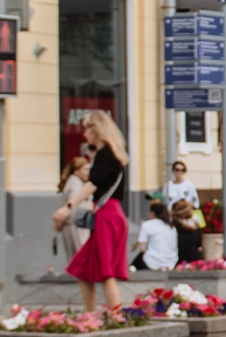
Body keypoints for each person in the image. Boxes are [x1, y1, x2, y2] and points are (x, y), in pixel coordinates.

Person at [63, 111, 130, 312]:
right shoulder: (113, 154)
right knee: (82, 268)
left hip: (106, 215)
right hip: (112, 213)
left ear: (97, 130)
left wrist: (68, 207)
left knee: (106, 271)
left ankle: (116, 316)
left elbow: (93, 184)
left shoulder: (104, 154)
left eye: (87, 129)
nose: (84, 134)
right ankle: (91, 314)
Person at [51, 154, 94, 269]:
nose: (88, 173)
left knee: (75, 259)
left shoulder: (74, 182)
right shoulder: (76, 184)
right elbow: (73, 204)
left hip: (73, 223)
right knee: (81, 257)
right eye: (85, 169)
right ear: (76, 171)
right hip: (77, 224)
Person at [166, 161, 205, 263]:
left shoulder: (189, 185)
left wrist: (186, 208)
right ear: (173, 171)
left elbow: (195, 202)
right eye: (177, 169)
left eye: (182, 170)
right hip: (173, 216)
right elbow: (165, 201)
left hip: (187, 215)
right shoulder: (169, 185)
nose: (179, 172)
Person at [135, 198, 180, 271]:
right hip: (172, 263)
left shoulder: (147, 224)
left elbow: (142, 249)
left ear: (152, 213)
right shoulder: (172, 227)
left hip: (152, 262)